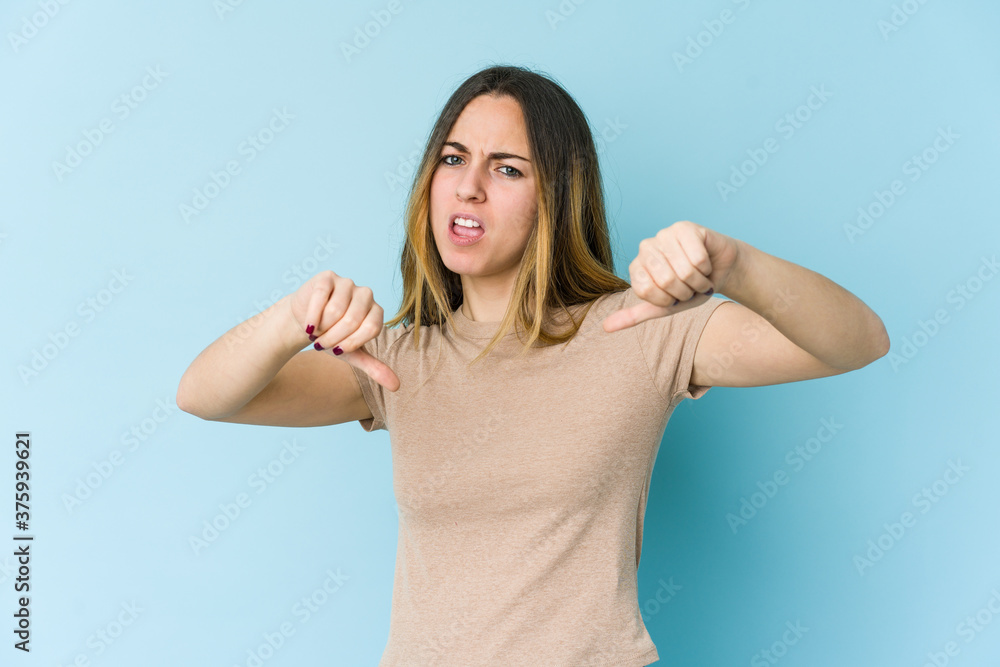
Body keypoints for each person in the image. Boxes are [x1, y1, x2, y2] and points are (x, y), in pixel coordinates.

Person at [177, 64, 889, 666]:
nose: (469, 187)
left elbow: (857, 340)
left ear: (556, 193)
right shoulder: (398, 360)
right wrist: (289, 318)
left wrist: (734, 262)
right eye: (453, 159)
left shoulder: (638, 330)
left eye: (507, 168)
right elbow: (204, 394)